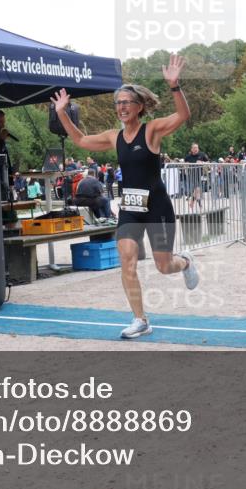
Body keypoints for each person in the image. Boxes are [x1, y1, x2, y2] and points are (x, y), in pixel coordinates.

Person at [51, 54, 197, 339]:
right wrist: (61, 113)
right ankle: (140, 319)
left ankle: (186, 262)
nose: (121, 107)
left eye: (126, 102)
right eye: (118, 103)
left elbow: (182, 116)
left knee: (164, 266)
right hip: (131, 207)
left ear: (139, 107)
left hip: (157, 206)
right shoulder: (113, 136)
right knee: (127, 259)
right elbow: (80, 140)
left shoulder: (151, 131)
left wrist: (174, 86)